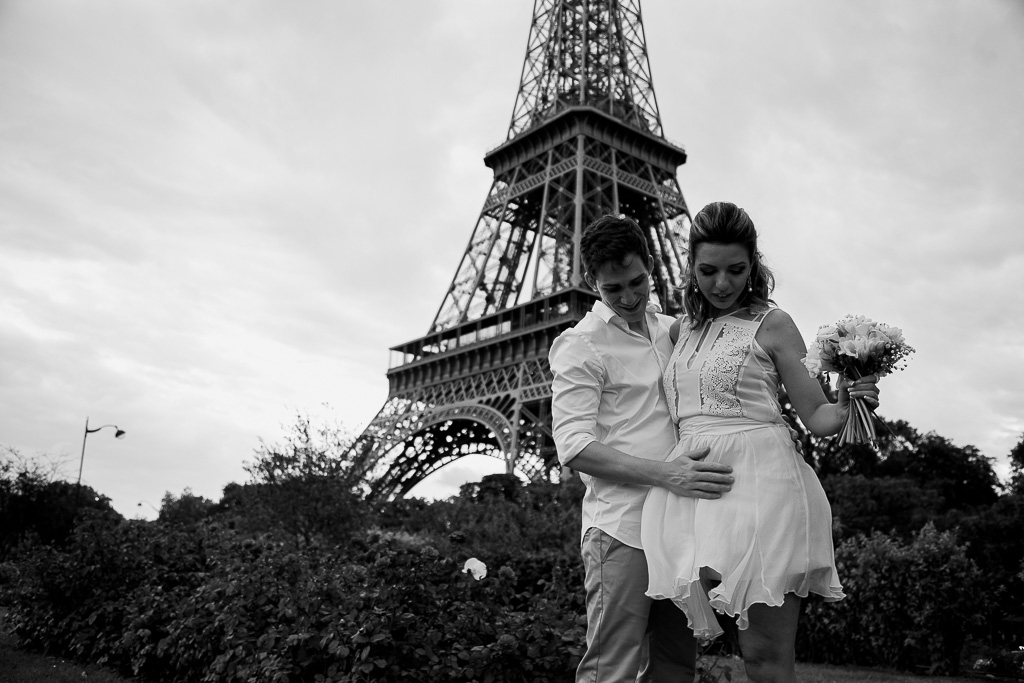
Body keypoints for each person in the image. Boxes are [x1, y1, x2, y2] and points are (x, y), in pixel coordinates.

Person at [641, 201, 880, 683]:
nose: (722, 283)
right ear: (690, 266)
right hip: (688, 494)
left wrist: (852, 399)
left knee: (764, 658)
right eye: (708, 271)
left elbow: (816, 415)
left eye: (736, 270)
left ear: (754, 265)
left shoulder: (773, 323)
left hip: (760, 492)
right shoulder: (677, 329)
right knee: (669, 656)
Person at [549, 214, 736, 683]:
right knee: (611, 668)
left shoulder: (674, 330)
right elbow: (573, 447)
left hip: (680, 525)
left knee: (676, 666)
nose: (630, 298)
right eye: (614, 290)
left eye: (638, 282)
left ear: (651, 265)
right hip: (621, 528)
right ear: (593, 282)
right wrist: (666, 473)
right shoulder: (580, 345)